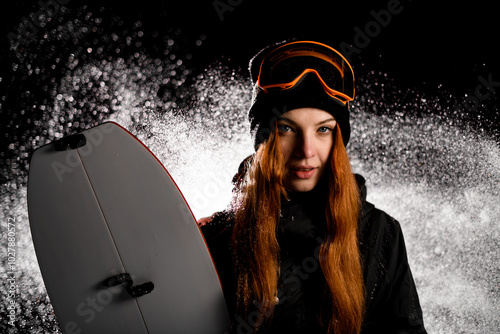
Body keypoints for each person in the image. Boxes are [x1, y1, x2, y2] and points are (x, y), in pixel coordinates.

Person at [198, 40, 427, 334]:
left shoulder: (381, 234)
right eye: (286, 128)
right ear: (264, 140)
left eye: (323, 129)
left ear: (338, 140)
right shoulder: (215, 238)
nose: (306, 150)